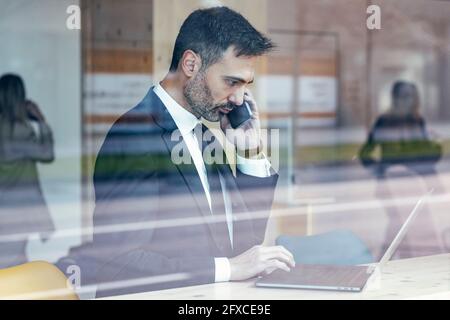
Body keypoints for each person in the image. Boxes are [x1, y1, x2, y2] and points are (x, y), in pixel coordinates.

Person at [87, 7, 295, 297]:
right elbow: (118, 263)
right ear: (190, 64)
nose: (238, 99)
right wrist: (227, 270)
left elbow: (244, 246)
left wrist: (250, 153)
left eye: (245, 85)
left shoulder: (206, 134)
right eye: (231, 82)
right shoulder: (135, 133)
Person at [359, 80, 445, 258]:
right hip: (395, 185)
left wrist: (435, 145)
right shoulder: (385, 121)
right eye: (404, 97)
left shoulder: (416, 120)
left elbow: (426, 156)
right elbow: (365, 154)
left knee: (403, 225)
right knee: (399, 224)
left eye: (412, 97)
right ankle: (385, 260)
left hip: (413, 185)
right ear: (395, 99)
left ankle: (386, 260)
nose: (408, 101)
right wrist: (382, 172)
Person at [0, 73, 55, 268]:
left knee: (15, 259)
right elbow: (47, 154)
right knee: (12, 263)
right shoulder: (20, 130)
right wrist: (41, 121)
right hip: (17, 208)